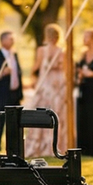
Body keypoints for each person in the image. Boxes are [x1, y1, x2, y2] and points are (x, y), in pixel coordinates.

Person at [23, 24, 71, 158]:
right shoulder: (42, 51)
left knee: (57, 113)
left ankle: (55, 145)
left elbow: (66, 71)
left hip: (58, 86)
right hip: (46, 86)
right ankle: (43, 145)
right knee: (44, 111)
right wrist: (34, 80)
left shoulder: (62, 51)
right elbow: (36, 67)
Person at [0, 31, 24, 152]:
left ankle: (13, 150)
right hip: (3, 94)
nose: (12, 41)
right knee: (1, 122)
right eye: (10, 39)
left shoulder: (14, 54)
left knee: (14, 124)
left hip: (14, 94)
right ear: (2, 41)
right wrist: (2, 73)